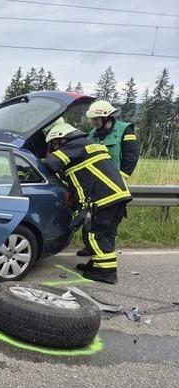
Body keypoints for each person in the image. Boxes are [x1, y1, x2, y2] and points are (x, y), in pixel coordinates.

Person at [43, 122, 131, 284]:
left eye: (54, 144)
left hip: (103, 199)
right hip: (117, 196)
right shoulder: (88, 145)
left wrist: (40, 159)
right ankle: (100, 264)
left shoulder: (75, 145)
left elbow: (51, 163)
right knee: (107, 233)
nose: (54, 148)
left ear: (61, 139)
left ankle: (106, 273)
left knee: (95, 235)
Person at [75, 100, 139, 256]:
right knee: (91, 216)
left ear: (106, 117)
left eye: (95, 119)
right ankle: (90, 246)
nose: (93, 122)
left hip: (114, 185)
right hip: (96, 185)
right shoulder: (92, 133)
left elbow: (131, 158)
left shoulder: (125, 130)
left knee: (108, 222)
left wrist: (118, 179)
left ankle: (105, 251)